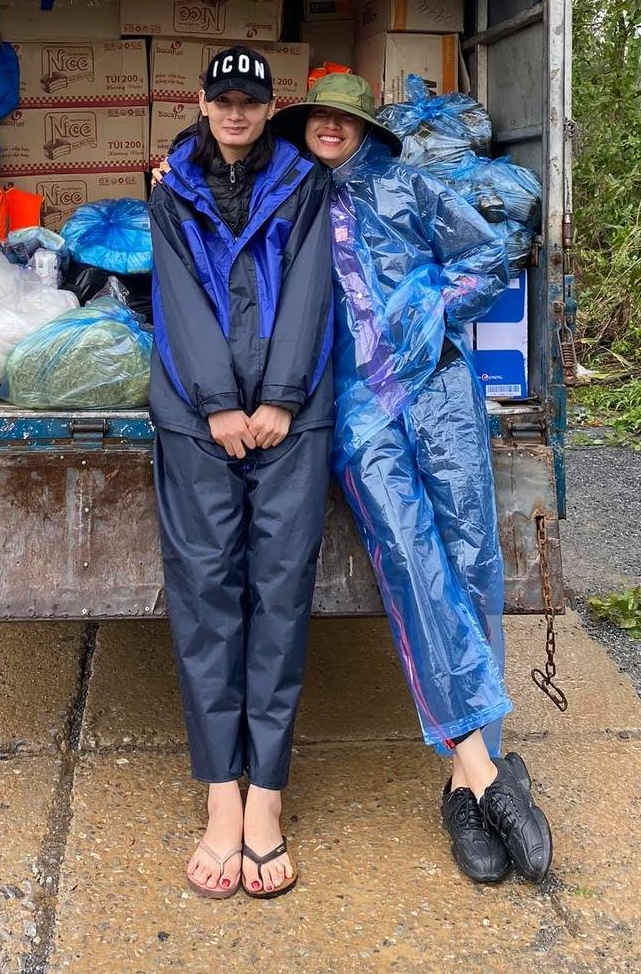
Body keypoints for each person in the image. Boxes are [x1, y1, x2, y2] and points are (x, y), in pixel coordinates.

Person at [273, 71, 554, 887]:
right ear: (305, 126)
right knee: (410, 558)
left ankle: (464, 784)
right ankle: (488, 777)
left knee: (470, 557)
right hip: (356, 406)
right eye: (319, 117)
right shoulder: (291, 199)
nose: (330, 128)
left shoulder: (410, 186)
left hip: (434, 386)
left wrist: (431, 308)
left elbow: (488, 258)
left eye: (345, 118)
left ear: (367, 126)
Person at [149, 46, 334, 901]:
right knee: (207, 598)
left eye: (249, 102)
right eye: (221, 99)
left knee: (281, 596)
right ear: (201, 102)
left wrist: (284, 398)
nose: (234, 113)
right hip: (198, 417)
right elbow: (178, 301)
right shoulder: (171, 187)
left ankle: (269, 796)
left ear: (269, 109)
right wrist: (220, 401)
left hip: (291, 418)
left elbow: (310, 290)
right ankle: (222, 797)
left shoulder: (304, 183)